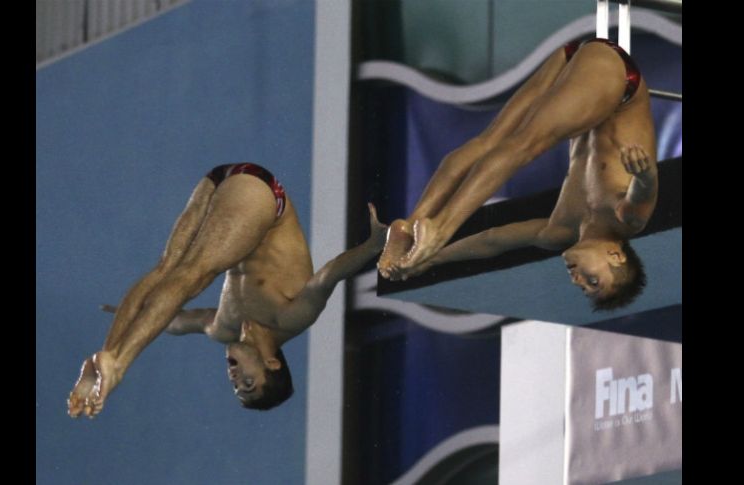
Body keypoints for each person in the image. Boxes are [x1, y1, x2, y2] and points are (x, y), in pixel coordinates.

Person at [68, 163, 387, 418]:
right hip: (261, 195)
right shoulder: (291, 318)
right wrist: (371, 247)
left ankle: (107, 356)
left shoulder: (223, 328)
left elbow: (176, 322)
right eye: (248, 382)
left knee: (167, 272)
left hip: (217, 181)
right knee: (192, 276)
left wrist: (127, 313)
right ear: (272, 363)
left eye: (236, 387)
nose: (235, 380)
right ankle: (118, 365)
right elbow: (329, 276)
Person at [378, 38, 658, 309]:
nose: (577, 279)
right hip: (614, 79)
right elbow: (643, 192)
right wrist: (644, 174)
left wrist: (432, 261)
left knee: (487, 143)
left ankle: (409, 225)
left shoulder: (557, 232)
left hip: (572, 65)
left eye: (581, 287)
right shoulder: (627, 221)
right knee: (524, 145)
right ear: (616, 255)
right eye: (593, 280)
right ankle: (437, 229)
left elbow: (492, 240)